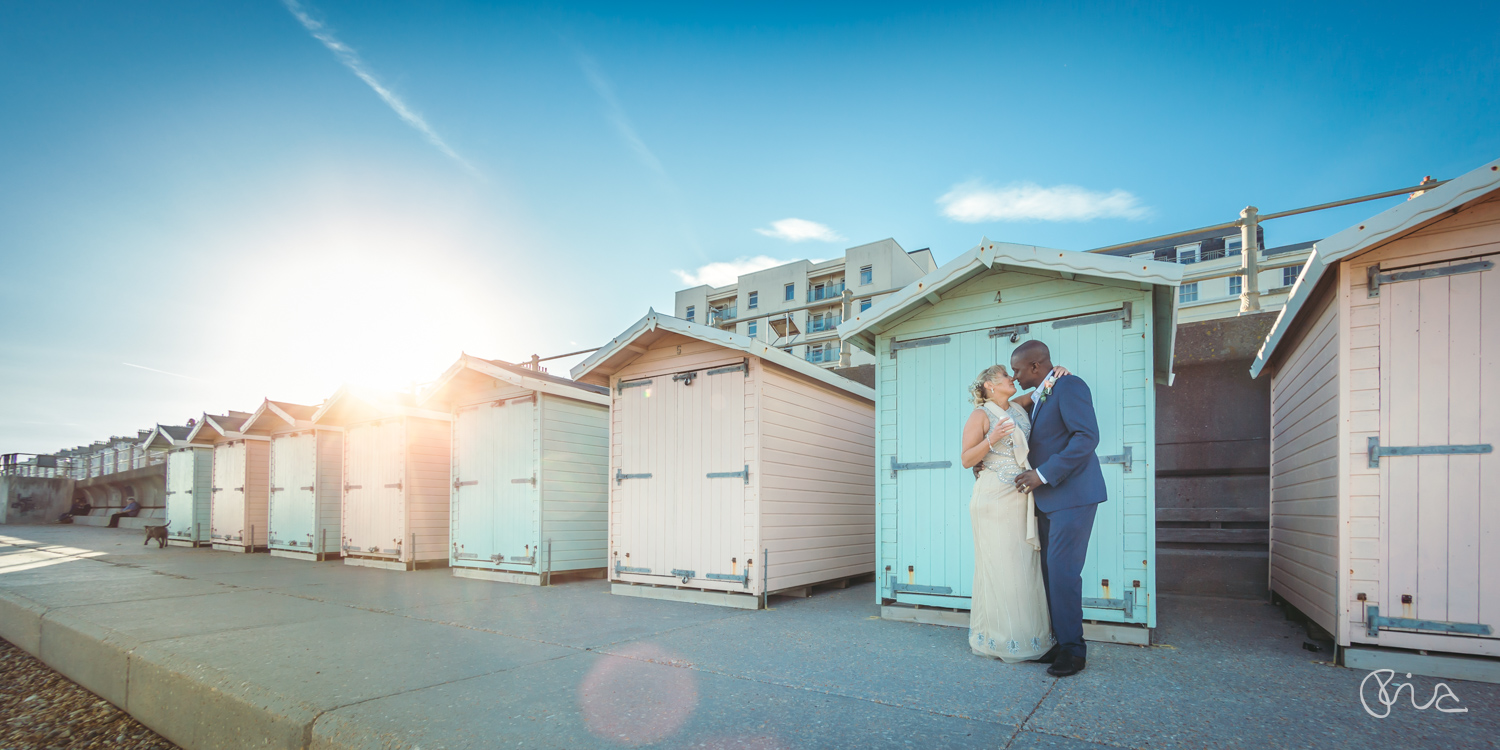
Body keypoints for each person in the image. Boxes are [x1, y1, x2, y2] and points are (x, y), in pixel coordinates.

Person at [1009, 340, 1105, 678]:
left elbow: (1086, 437)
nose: (1014, 375)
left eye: (1018, 369)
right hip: (1048, 500)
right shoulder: (1042, 393)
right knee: (1050, 573)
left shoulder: (1071, 385)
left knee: (1063, 574)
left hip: (1073, 496)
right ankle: (1059, 641)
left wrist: (1042, 474)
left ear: (1035, 366)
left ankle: (1073, 651)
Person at [959, 364, 1057, 663]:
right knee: (1001, 566)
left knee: (1023, 564)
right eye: (1005, 375)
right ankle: (1002, 639)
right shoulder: (980, 415)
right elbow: (965, 460)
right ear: (989, 385)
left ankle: (1031, 636)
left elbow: (1044, 390)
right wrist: (992, 438)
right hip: (992, 498)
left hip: (1020, 495)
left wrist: (1057, 373)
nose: (1012, 378)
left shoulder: (1019, 405)